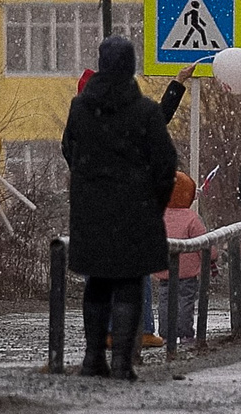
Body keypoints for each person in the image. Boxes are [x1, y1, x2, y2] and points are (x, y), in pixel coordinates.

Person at [61, 38, 177, 380]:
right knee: (128, 282)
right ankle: (123, 362)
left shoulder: (80, 108)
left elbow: (70, 150)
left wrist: (88, 187)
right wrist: (152, 203)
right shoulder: (145, 112)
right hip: (134, 209)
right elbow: (165, 164)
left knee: (96, 283)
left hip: (91, 209)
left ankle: (93, 358)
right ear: (130, 67)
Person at [148, 172, 208, 347]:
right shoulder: (191, 218)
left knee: (165, 300)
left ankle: (166, 333)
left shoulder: (159, 215)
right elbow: (202, 242)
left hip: (165, 270)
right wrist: (211, 257)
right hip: (187, 272)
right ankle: (185, 333)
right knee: (185, 302)